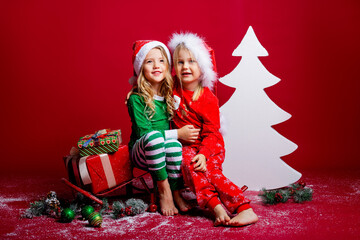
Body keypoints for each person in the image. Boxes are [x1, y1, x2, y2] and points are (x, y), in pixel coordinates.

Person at [168, 33, 259, 226]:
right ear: (174, 66)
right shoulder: (172, 89)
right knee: (189, 164)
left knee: (210, 171)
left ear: (202, 67)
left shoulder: (207, 98)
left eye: (192, 61)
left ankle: (244, 208)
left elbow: (211, 132)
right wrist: (134, 90)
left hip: (210, 145)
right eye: (180, 62)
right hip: (187, 146)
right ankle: (215, 205)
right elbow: (151, 88)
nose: (185, 67)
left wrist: (204, 154)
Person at [127, 40, 198, 216]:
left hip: (163, 151)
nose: (156, 66)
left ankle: (176, 193)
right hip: (142, 151)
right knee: (155, 138)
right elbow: (145, 134)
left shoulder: (169, 93)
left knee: (175, 146)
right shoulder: (137, 99)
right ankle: (164, 189)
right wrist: (178, 133)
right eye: (149, 61)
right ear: (140, 68)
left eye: (161, 60)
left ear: (167, 65)